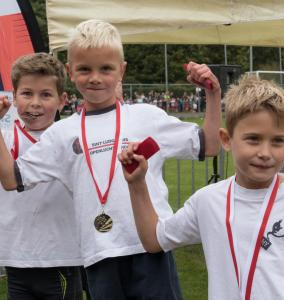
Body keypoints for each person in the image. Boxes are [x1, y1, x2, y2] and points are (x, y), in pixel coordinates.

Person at [0, 20, 221, 300]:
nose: (95, 78)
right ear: (70, 71)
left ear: (122, 70)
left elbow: (210, 144)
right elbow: (11, 178)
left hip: (149, 249)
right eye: (84, 69)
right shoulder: (61, 133)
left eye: (105, 68)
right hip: (98, 255)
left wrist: (213, 94)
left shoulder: (146, 116)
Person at [119, 75, 284, 300]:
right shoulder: (207, 201)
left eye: (278, 141)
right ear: (226, 140)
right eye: (253, 139)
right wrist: (137, 184)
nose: (265, 152)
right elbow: (154, 240)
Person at [0, 53, 83, 300]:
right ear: (14, 98)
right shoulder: (5, 138)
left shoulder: (72, 139)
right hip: (15, 258)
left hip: (60, 259)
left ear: (62, 100)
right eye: (27, 93)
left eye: (45, 95)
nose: (35, 103)